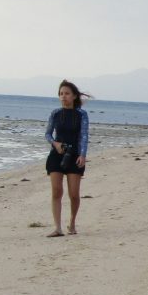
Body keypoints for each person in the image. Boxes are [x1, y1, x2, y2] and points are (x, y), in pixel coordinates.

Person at [44, 79, 90, 237]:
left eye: (67, 94)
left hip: (75, 155)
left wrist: (83, 154)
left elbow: (84, 135)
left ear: (74, 96)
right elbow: (47, 134)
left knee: (74, 194)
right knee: (56, 191)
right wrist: (55, 144)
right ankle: (57, 227)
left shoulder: (81, 114)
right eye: (61, 94)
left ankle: (72, 222)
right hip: (57, 154)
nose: (63, 97)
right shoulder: (55, 114)